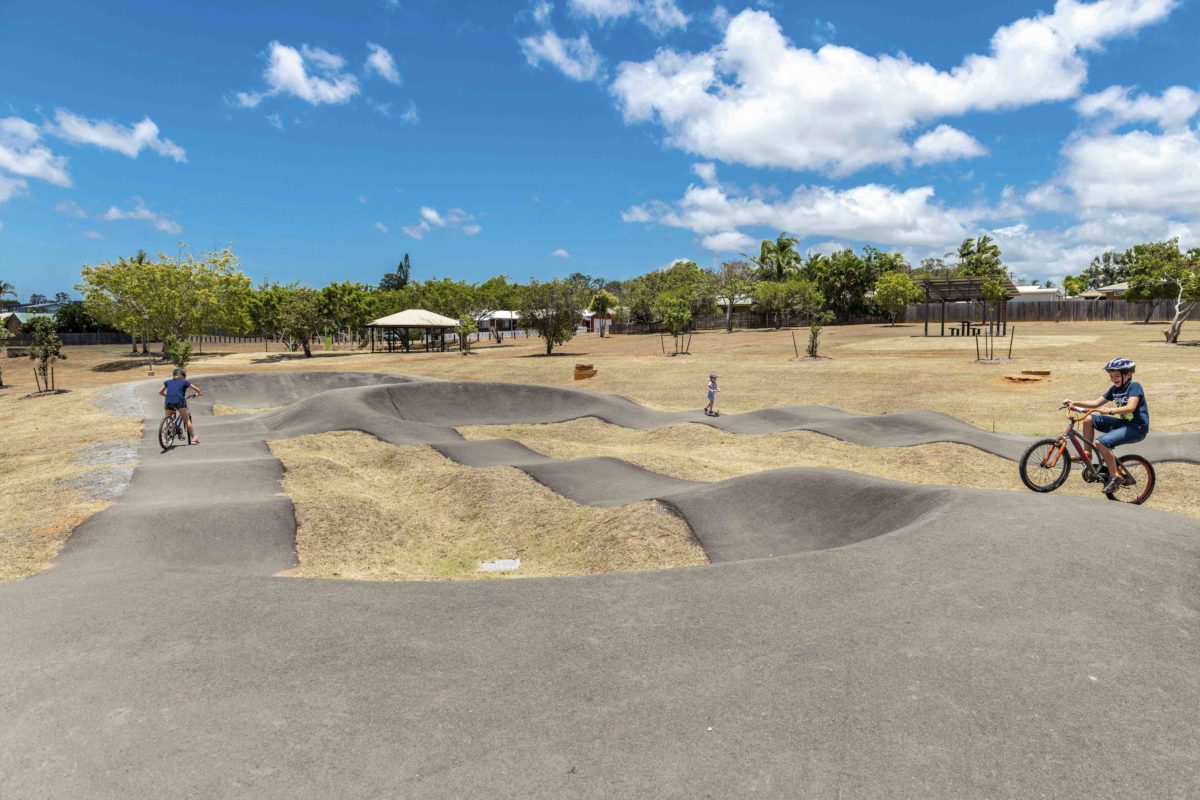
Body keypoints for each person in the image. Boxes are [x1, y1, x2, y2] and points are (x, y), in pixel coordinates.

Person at [1063, 357, 1148, 494]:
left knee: (1101, 443)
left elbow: (1131, 407)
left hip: (1136, 428)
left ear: (1128, 374)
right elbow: (1096, 403)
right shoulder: (1114, 389)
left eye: (1116, 375)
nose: (1113, 378)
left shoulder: (1134, 386)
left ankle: (1115, 476)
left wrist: (1112, 410)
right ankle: (1087, 454)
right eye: (1111, 376)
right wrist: (1075, 403)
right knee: (1088, 419)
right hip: (1124, 423)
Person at [159, 367, 203, 445]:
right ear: (183, 376)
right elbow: (198, 390)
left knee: (168, 421)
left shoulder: (167, 382)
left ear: (174, 375)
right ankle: (193, 438)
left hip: (168, 401)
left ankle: (165, 440)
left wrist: (168, 396)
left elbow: (160, 392)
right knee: (187, 420)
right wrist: (198, 394)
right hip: (179, 401)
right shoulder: (185, 382)